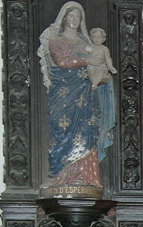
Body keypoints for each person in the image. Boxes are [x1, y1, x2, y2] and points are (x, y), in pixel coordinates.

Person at [38, 2, 116, 193]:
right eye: (70, 16)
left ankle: (86, 178)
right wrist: (85, 60)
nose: (74, 20)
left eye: (77, 17)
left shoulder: (86, 43)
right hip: (63, 93)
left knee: (87, 132)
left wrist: (103, 76)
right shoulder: (56, 40)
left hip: (86, 94)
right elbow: (60, 61)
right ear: (64, 18)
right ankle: (57, 178)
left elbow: (99, 66)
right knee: (61, 129)